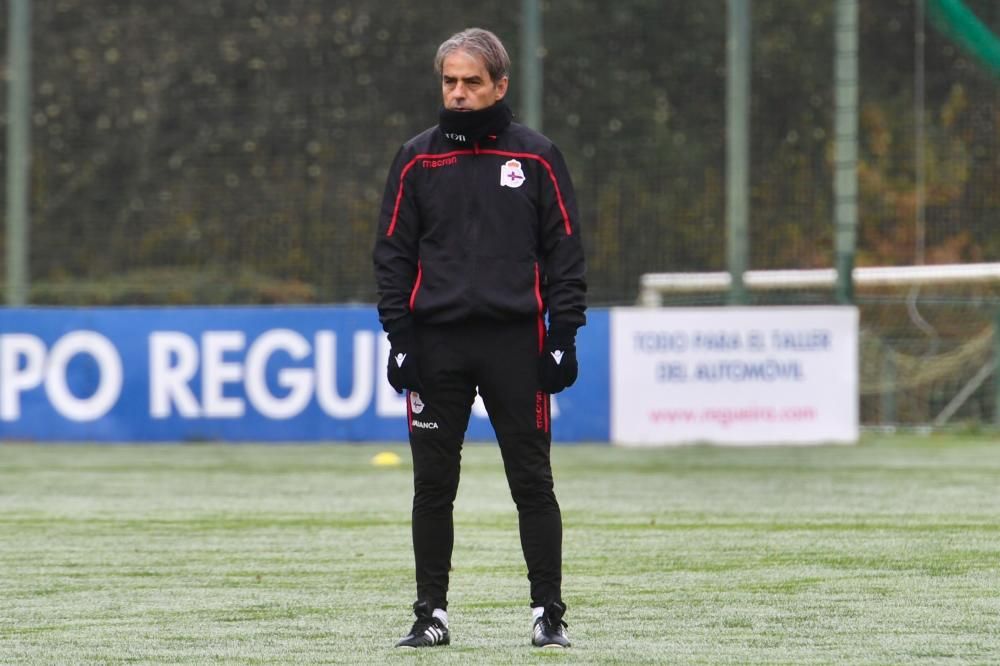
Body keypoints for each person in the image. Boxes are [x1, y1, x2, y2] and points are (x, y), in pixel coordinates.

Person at [373, 27, 586, 650]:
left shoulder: (538, 156)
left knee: (532, 481)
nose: (459, 94)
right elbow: (392, 255)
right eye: (450, 82)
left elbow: (565, 255)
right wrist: (400, 337)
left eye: (472, 82)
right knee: (433, 487)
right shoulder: (416, 158)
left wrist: (561, 338)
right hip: (436, 346)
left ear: (500, 85)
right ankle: (430, 615)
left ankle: (549, 614)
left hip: (515, 346)